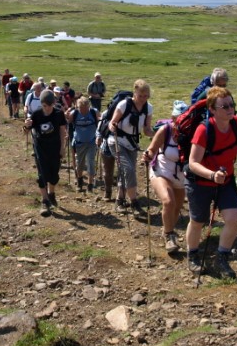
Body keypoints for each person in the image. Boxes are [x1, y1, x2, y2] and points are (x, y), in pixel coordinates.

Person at [184, 87, 237, 278]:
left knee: (233, 218)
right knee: (198, 221)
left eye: (231, 104)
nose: (230, 109)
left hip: (226, 180)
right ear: (212, 109)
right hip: (200, 183)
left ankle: (221, 258)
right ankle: (192, 255)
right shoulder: (203, 130)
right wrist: (212, 175)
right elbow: (193, 163)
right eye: (225, 106)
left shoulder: (235, 123)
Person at [143, 100, 189, 254]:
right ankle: (169, 236)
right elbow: (152, 149)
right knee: (169, 202)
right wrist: (148, 155)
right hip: (161, 171)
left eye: (184, 118)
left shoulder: (191, 133)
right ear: (173, 117)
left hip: (181, 176)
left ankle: (167, 230)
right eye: (178, 118)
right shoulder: (165, 130)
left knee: (176, 207)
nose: (181, 121)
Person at [107, 79, 154, 216]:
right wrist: (113, 127)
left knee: (125, 172)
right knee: (129, 170)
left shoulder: (148, 108)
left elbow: (146, 130)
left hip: (132, 144)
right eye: (140, 96)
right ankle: (134, 203)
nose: (143, 99)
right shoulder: (124, 105)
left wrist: (159, 133)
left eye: (146, 96)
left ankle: (119, 201)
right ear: (135, 93)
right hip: (117, 141)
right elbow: (112, 122)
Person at [25, 90, 67, 217]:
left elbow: (62, 131)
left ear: (53, 103)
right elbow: (26, 131)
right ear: (41, 104)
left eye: (50, 105)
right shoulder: (36, 115)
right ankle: (44, 201)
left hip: (55, 148)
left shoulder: (58, 114)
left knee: (54, 174)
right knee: (42, 174)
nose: (47, 108)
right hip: (40, 148)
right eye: (44, 106)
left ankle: (51, 193)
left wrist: (63, 147)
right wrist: (26, 126)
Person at [68, 97, 100, 192]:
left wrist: (100, 136)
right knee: (79, 163)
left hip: (92, 142)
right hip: (79, 142)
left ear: (88, 106)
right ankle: (79, 182)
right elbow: (68, 123)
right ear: (77, 107)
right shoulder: (74, 113)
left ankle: (90, 184)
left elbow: (100, 123)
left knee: (91, 162)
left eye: (85, 108)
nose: (83, 110)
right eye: (81, 108)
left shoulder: (94, 112)